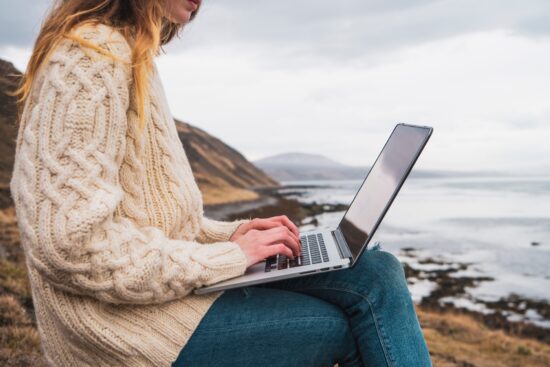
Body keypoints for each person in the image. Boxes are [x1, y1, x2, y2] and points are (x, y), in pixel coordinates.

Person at [10, 1, 432, 366]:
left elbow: (154, 220)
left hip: (155, 297)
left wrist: (232, 235)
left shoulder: (132, 55)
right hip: (119, 329)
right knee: (338, 327)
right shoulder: (90, 55)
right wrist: (228, 258)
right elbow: (71, 244)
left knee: (376, 271)